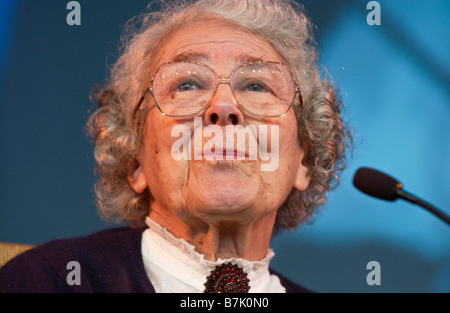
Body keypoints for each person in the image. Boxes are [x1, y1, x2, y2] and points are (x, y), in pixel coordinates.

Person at [0, 0, 350, 293]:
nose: (224, 106)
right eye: (187, 84)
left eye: (257, 86)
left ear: (303, 159)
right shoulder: (45, 281)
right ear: (134, 157)